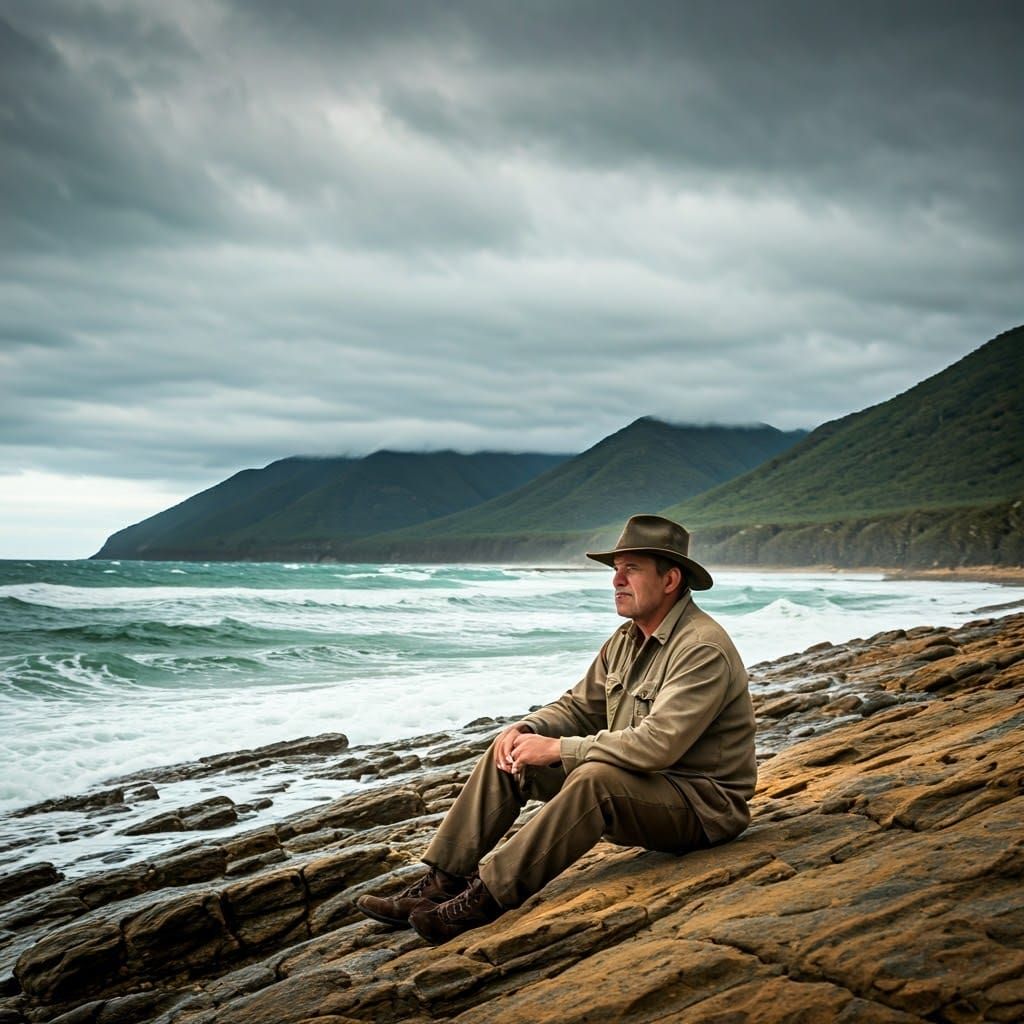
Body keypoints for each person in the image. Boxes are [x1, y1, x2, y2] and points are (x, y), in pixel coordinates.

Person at [355, 514, 757, 945]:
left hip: (701, 807)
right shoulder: (626, 639)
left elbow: (657, 746)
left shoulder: (701, 648)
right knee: (509, 750)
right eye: (615, 570)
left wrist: (557, 749)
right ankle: (443, 881)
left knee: (593, 777)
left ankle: (482, 899)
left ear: (671, 579)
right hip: (644, 788)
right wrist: (528, 728)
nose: (616, 580)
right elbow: (579, 707)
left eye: (632, 569)